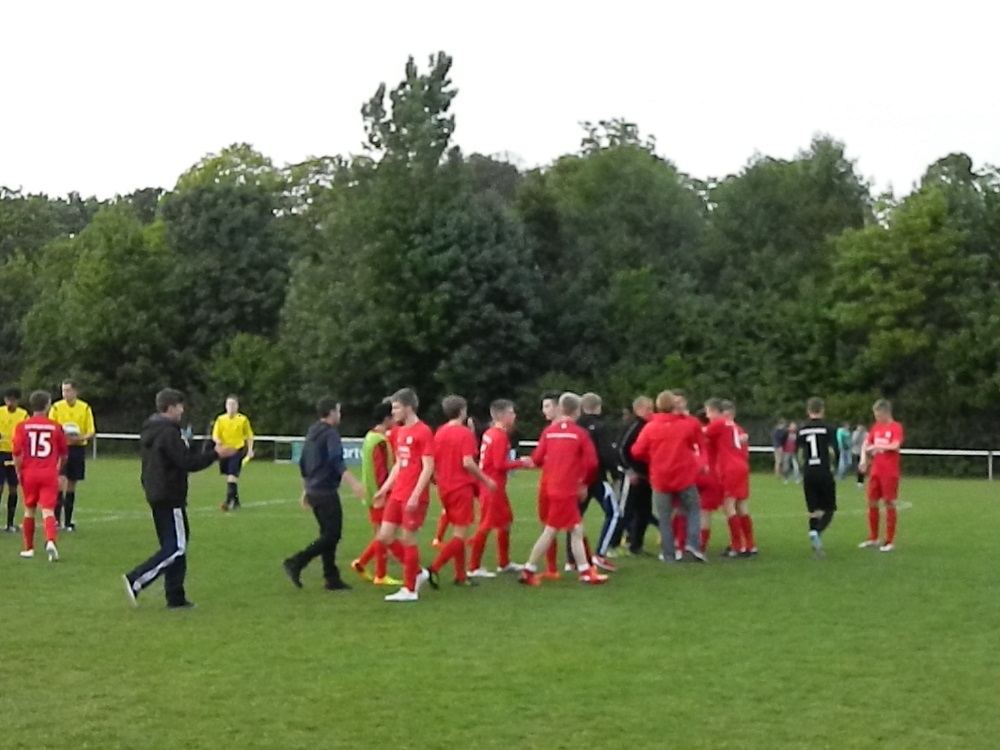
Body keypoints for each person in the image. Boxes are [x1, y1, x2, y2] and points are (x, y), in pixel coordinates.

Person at [123, 389, 235, 609]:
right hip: (169, 494)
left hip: (157, 492)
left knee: (176, 544)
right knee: (176, 547)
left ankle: (175, 597)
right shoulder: (168, 433)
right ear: (170, 407)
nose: (182, 410)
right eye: (179, 406)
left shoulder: (155, 429)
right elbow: (187, 462)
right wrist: (216, 454)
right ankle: (136, 579)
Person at [518, 393, 606, 586]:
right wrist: (584, 483)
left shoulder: (549, 432)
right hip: (567, 489)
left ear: (561, 409)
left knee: (575, 529)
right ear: (578, 410)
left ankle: (584, 570)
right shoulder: (580, 433)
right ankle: (529, 569)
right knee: (552, 531)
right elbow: (592, 463)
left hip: (552, 487)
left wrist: (526, 462)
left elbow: (537, 458)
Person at [283, 397, 365, 592]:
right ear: (331, 412)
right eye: (338, 410)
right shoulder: (330, 434)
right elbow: (336, 461)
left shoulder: (312, 431)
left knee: (328, 534)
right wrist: (354, 483)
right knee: (332, 535)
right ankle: (296, 561)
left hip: (314, 490)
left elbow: (304, 462)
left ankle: (331, 578)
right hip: (326, 491)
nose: (340, 414)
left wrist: (306, 489)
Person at [630, 391, 706, 563]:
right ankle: (693, 544)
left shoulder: (650, 427)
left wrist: (652, 456)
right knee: (693, 509)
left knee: (664, 517)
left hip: (660, 477)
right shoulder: (686, 425)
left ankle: (668, 553)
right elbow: (695, 443)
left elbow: (637, 451)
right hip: (683, 475)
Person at [374, 388, 435, 603]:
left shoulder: (423, 431)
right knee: (384, 536)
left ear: (409, 408)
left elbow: (428, 466)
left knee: (409, 539)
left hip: (413, 494)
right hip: (398, 493)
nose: (393, 412)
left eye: (397, 407)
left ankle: (410, 589)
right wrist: (384, 489)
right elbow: (399, 464)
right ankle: (417, 572)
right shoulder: (399, 432)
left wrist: (416, 495)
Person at [427, 395, 496, 587]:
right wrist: (486, 480)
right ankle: (433, 568)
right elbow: (467, 462)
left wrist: (434, 479)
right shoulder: (465, 434)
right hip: (460, 487)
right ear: (463, 411)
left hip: (444, 487)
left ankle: (461, 575)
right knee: (460, 534)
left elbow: (432, 459)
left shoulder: (440, 432)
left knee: (459, 530)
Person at [468, 399, 523, 578]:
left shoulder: (491, 432)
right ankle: (473, 567)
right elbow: (499, 464)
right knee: (485, 525)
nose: (514, 416)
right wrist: (521, 462)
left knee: (506, 521)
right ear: (502, 415)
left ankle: (504, 563)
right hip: (492, 487)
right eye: (511, 413)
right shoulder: (499, 436)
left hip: (494, 486)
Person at [351, 401, 404, 586]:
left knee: (381, 534)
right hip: (379, 495)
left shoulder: (369, 437)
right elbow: (380, 470)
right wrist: (383, 492)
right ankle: (379, 573)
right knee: (385, 534)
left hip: (371, 493)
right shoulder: (380, 441)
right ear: (387, 418)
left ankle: (363, 563)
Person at [12, 391, 68, 561]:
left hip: (29, 472)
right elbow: (64, 454)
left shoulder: (22, 426)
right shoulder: (55, 426)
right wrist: (57, 469)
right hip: (48, 472)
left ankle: (29, 548)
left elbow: (16, 452)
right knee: (48, 510)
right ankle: (50, 540)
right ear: (47, 405)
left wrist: (19, 470)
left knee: (29, 509)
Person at [578, 392, 621, 573]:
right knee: (614, 513)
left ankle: (573, 559)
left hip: (578, 479)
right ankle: (600, 553)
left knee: (576, 518)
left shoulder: (575, 425)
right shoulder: (601, 427)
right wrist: (615, 473)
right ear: (598, 407)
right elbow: (605, 453)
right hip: (596, 477)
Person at [48, 379, 96, 531]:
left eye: (68, 390)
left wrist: (79, 438)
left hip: (77, 449)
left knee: (71, 485)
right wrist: (62, 438)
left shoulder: (85, 408)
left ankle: (68, 521)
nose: (65, 393)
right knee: (59, 482)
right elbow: (51, 427)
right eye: (63, 390)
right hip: (60, 450)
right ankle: (56, 520)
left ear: (75, 391)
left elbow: (91, 431)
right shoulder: (56, 407)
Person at [858, 400, 904, 553]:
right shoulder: (876, 427)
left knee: (889, 503)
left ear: (886, 413)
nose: (876, 418)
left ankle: (889, 541)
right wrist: (863, 460)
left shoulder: (896, 427)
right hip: (875, 471)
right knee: (871, 501)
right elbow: (866, 444)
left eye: (878, 415)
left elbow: (895, 445)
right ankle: (873, 538)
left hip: (889, 472)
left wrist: (879, 446)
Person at [797, 398, 839, 557]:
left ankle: (815, 539)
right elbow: (835, 450)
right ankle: (816, 531)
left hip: (809, 472)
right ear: (822, 410)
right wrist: (835, 465)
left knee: (813, 509)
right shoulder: (829, 429)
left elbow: (797, 452)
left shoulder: (802, 430)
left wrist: (801, 469)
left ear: (808, 411)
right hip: (824, 471)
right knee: (829, 508)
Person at [617, 396, 656, 556]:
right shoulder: (634, 426)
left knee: (644, 511)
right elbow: (621, 449)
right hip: (633, 474)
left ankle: (636, 544)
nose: (651, 412)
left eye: (652, 408)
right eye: (648, 409)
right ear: (638, 409)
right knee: (625, 510)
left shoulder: (648, 425)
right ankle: (612, 542)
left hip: (646, 475)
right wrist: (629, 470)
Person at [535, 391, 563, 579]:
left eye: (547, 406)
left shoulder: (560, 431)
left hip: (558, 483)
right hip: (547, 481)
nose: (544, 410)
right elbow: (539, 458)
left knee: (572, 525)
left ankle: (584, 563)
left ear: (559, 407)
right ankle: (552, 567)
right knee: (548, 523)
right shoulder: (548, 430)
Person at [212, 395, 255, 511]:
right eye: (229, 404)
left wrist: (250, 450)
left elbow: (249, 436)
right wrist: (218, 441)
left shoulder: (242, 419)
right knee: (230, 476)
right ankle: (236, 501)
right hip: (224, 451)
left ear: (237, 406)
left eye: (233, 404)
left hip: (237, 450)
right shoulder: (220, 419)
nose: (231, 407)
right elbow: (215, 435)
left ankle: (227, 501)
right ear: (225, 406)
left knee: (232, 475)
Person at [0, 387, 28, 532]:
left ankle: (10, 523)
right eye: (7, 400)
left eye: (13, 400)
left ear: (17, 400)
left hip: (16, 454)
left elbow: (27, 433)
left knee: (13, 487)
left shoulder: (23, 415)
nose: (10, 403)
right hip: (0, 453)